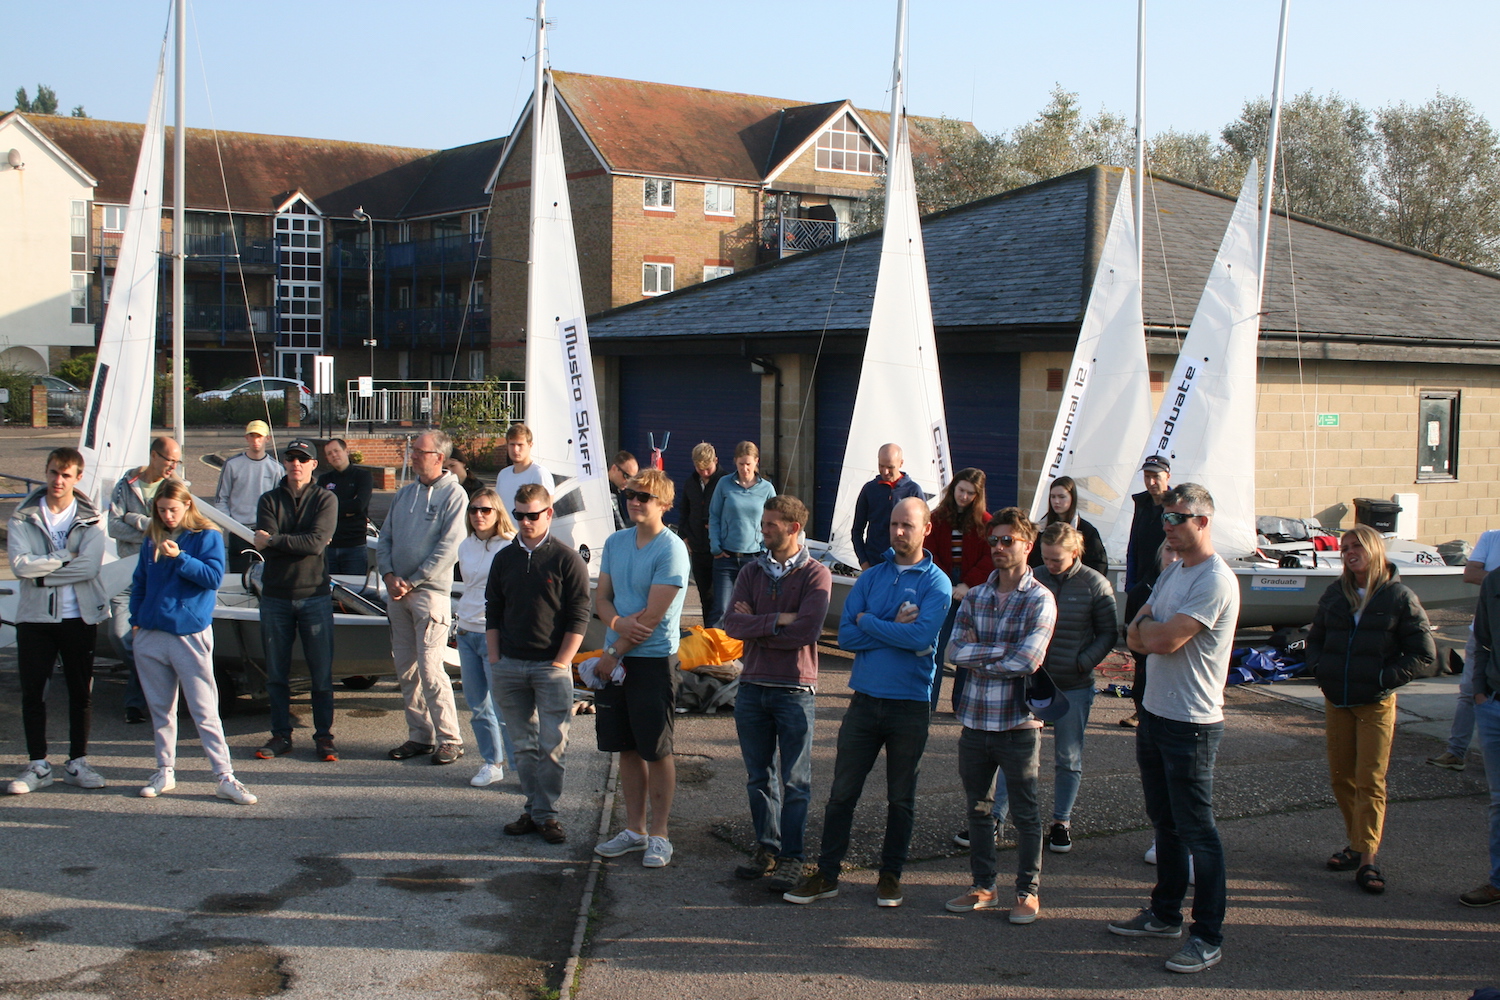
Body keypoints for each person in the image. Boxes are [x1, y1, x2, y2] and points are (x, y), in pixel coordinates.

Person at [784, 497, 950, 908]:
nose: (898, 532)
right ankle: (827, 873)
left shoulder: (937, 583)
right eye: (894, 524)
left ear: (926, 529)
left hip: (910, 704)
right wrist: (892, 626)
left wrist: (871, 624)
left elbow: (921, 639)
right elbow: (845, 638)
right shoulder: (871, 577)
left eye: (907, 525)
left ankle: (890, 876)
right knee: (842, 793)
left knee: (901, 797)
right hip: (863, 702)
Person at [1109, 483, 1238, 975]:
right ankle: (1165, 914)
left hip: (1192, 723)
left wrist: (1145, 632)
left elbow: (1159, 639)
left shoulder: (1214, 581)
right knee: (1165, 824)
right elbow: (1136, 628)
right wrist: (1144, 631)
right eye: (1164, 518)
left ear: (1202, 521)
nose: (1167, 526)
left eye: (1177, 518)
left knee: (1198, 832)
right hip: (1156, 713)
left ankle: (1207, 934)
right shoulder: (1172, 572)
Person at [1305, 524, 1435, 895]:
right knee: (1342, 777)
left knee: (1370, 780)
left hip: (1375, 702)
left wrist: (1383, 678)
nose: (1349, 552)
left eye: (1356, 546)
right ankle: (1357, 842)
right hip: (1337, 699)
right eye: (1344, 547)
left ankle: (1367, 859)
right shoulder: (1336, 594)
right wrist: (1320, 669)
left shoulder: (1398, 597)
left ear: (1375, 550)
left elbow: (1423, 654)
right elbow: (1314, 639)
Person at [943, 508, 1056, 924]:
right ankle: (983, 885)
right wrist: (1000, 654)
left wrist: (982, 654)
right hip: (975, 721)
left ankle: (1027, 892)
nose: (999, 548)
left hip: (1017, 724)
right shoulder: (975, 595)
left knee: (1026, 813)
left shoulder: (1040, 597)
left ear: (1028, 545)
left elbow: (1028, 660)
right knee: (977, 809)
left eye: (1008, 540)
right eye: (994, 541)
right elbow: (955, 652)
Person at [721, 494, 832, 890]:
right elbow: (730, 624)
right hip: (752, 687)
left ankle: (793, 857)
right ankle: (767, 847)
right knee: (758, 777)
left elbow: (807, 631)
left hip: (794, 690)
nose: (762, 530)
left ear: (792, 528)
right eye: (763, 523)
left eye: (770, 525)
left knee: (795, 780)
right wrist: (777, 622)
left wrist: (761, 626)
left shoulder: (816, 575)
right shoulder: (752, 572)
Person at [130, 480, 256, 804]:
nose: (167, 516)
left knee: (204, 709)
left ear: (187, 505)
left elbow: (213, 578)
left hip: (189, 632)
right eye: (161, 511)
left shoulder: (208, 535)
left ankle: (225, 776)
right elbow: (139, 582)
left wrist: (180, 557)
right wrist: (136, 620)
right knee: (161, 709)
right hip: (151, 632)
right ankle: (165, 770)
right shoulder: (152, 537)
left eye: (172, 509)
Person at [592, 468, 691, 868]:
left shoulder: (672, 549)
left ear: (663, 505)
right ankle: (635, 830)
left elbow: (651, 619)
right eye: (631, 494)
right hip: (617, 654)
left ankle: (661, 834)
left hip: (651, 661)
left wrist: (612, 651)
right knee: (626, 748)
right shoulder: (615, 542)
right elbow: (601, 599)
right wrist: (616, 627)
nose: (634, 500)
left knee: (656, 749)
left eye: (644, 496)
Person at [487, 483, 591, 845]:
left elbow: (580, 614)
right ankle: (534, 810)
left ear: (548, 514)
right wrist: (495, 657)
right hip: (510, 665)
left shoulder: (566, 559)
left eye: (533, 515)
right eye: (519, 515)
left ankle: (546, 814)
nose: (525, 522)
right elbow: (493, 609)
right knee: (523, 747)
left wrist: (562, 662)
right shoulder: (504, 558)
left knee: (552, 745)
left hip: (551, 667)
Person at [5, 448, 109, 795]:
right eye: (53, 473)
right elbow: (20, 566)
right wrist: (64, 556)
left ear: (78, 478)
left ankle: (77, 761)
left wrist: (43, 574)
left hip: (79, 616)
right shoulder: (23, 516)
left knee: (81, 692)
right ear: (46, 473)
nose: (58, 481)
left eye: (65, 475)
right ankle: (38, 764)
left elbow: (90, 567)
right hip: (35, 618)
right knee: (34, 691)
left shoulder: (92, 518)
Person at [377, 431, 469, 765]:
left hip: (430, 595)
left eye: (419, 451)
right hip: (397, 594)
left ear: (439, 458)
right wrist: (388, 576)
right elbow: (384, 537)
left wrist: (413, 580)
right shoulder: (405, 494)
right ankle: (420, 735)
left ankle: (450, 738)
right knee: (406, 670)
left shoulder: (455, 496)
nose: (412, 456)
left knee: (431, 670)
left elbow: (450, 547)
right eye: (412, 450)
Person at [1029, 521, 1117, 853]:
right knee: (1022, 755)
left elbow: (1108, 632)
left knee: (1068, 756)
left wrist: (1083, 661)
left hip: (1074, 683)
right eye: (1046, 558)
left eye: (1056, 560)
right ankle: (998, 817)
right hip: (1035, 680)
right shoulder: (1034, 576)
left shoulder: (1095, 584)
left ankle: (1061, 822)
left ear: (1075, 553)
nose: (1050, 565)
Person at [252, 438, 339, 763]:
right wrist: (285, 541)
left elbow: (316, 544)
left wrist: (274, 540)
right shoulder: (269, 499)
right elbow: (264, 541)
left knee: (321, 674)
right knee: (276, 673)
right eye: (291, 458)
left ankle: (324, 737)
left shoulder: (326, 499)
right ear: (284, 463)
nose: (296, 464)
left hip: (314, 596)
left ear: (314, 464)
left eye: (303, 459)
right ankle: (280, 734)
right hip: (275, 596)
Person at [108, 435, 182, 724]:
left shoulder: (174, 487)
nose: (173, 467)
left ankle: (137, 703)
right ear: (154, 456)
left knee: (151, 639)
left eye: (177, 462)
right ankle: (152, 683)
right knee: (120, 635)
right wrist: (144, 525)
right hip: (128, 571)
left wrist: (133, 519)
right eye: (169, 461)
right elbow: (113, 526)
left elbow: (173, 530)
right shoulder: (126, 485)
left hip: (160, 574)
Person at [455, 487, 517, 788]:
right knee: (477, 704)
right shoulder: (465, 545)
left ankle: (520, 766)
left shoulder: (509, 545)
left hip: (495, 634)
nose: (478, 515)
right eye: (473, 509)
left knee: (504, 704)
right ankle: (493, 762)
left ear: (497, 513)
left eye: (485, 510)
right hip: (466, 630)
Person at [1429, 527, 1500, 772]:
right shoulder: (1492, 537)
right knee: (1470, 691)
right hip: (1483, 629)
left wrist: (1489, 577)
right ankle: (1456, 752)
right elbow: (1470, 573)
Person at [923, 468, 992, 712]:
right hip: (943, 584)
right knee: (936, 647)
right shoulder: (937, 517)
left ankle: (962, 704)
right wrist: (947, 584)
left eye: (970, 493)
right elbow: (929, 552)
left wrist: (968, 584)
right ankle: (927, 703)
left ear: (977, 495)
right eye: (961, 490)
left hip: (972, 588)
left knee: (968, 648)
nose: (963, 496)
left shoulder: (986, 522)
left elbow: (989, 558)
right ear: (953, 489)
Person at [1461, 562, 1500, 908]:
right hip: (1493, 706)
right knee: (1499, 802)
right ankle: (1497, 882)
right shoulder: (1495, 583)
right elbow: (1482, 643)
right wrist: (1480, 693)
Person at [707, 441, 775, 629]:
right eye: (741, 464)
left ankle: (750, 651)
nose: (745, 468)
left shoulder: (767, 488)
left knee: (752, 607)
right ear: (735, 462)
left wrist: (766, 549)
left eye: (748, 464)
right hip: (726, 557)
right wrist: (715, 546)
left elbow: (776, 520)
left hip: (754, 557)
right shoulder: (724, 484)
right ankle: (714, 653)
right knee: (721, 609)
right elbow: (714, 516)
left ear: (756, 462)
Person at [215, 419, 284, 572]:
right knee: (239, 578)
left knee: (265, 578)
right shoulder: (232, 464)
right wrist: (231, 526)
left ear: (267, 438)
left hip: (265, 533)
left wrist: (272, 530)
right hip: (238, 530)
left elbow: (280, 503)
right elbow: (221, 498)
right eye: (252, 436)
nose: (255, 440)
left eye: (259, 436)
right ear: (246, 437)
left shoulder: (276, 469)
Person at [850, 443, 924, 571]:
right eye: (881, 466)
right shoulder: (869, 489)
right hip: (875, 564)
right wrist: (864, 563)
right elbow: (857, 530)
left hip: (904, 565)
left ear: (901, 463)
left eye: (890, 467)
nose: (885, 471)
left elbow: (922, 531)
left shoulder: (913, 491)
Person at [678, 442, 727, 623]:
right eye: (700, 469)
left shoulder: (726, 481)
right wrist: (684, 536)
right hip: (698, 548)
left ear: (716, 460)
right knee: (705, 597)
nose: (704, 473)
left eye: (707, 469)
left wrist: (719, 527)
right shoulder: (691, 482)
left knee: (720, 600)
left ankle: (723, 636)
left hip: (720, 549)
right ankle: (709, 635)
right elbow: (684, 510)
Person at [1030, 475, 1108, 577]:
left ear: (1072, 498)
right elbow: (1031, 561)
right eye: (1053, 496)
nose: (1056, 501)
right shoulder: (1040, 529)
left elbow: (1099, 565)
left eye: (1062, 497)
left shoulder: (1087, 531)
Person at [319, 437, 373, 577]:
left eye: (336, 451)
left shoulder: (363, 477)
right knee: (330, 594)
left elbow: (359, 505)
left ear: (346, 451)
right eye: (330, 453)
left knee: (354, 594)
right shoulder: (323, 480)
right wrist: (346, 509)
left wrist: (331, 508)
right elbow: (318, 508)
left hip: (354, 547)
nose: (334, 455)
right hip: (329, 546)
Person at [1124, 455, 1171, 592]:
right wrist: (1130, 585)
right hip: (1140, 585)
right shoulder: (1142, 504)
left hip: (1166, 586)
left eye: (1156, 477)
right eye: (1146, 476)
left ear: (1167, 477)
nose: (1151, 482)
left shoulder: (1176, 506)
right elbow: (1133, 547)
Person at [495, 422, 554, 506]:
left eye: (520, 445)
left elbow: (547, 510)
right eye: (512, 444)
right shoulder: (503, 474)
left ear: (530, 445)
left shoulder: (539, 473)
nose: (515, 449)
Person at [607, 451, 639, 530]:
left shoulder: (615, 491)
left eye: (632, 479)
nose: (628, 482)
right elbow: (619, 527)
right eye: (626, 476)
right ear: (614, 468)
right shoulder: (605, 492)